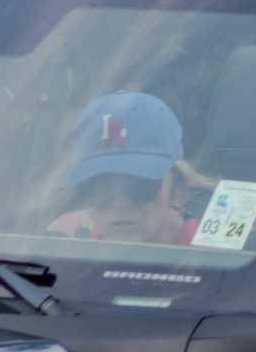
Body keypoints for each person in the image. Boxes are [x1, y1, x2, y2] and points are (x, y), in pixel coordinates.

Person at [46, 91, 199, 244]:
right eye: (100, 188)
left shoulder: (212, 253)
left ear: (176, 190)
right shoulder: (65, 241)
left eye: (138, 186)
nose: (120, 204)